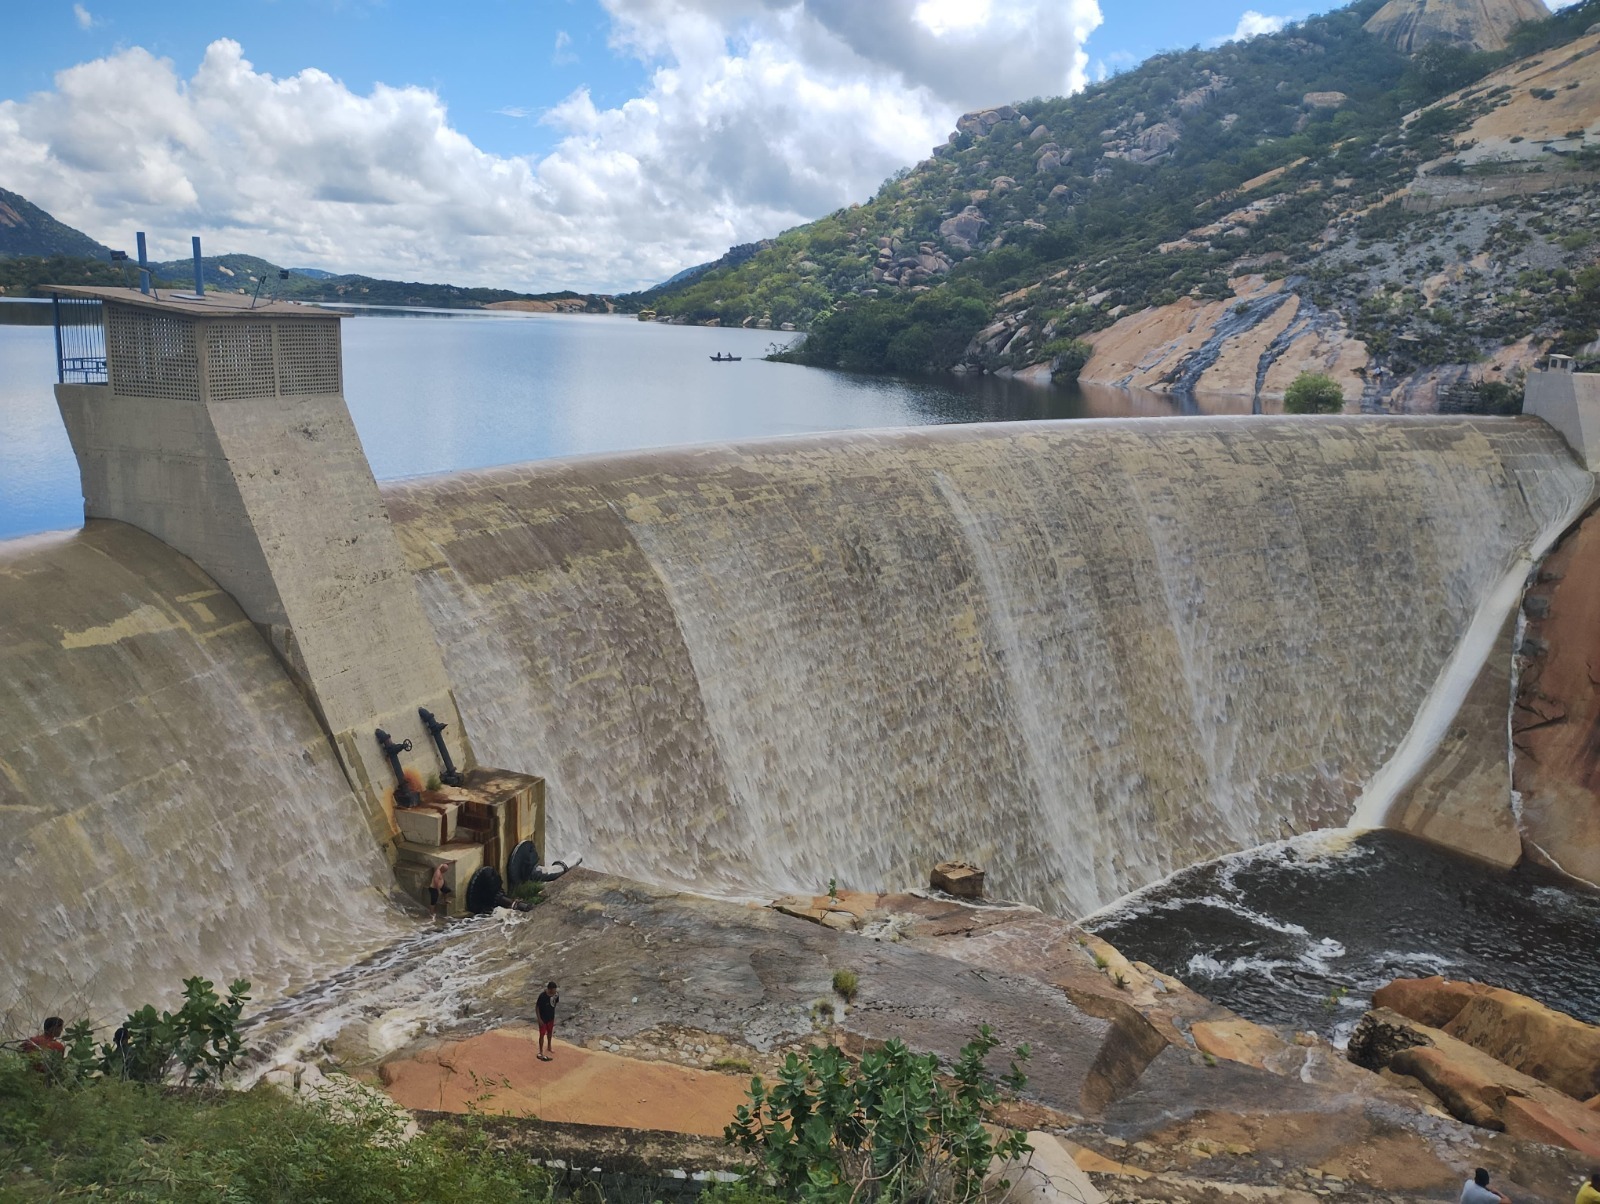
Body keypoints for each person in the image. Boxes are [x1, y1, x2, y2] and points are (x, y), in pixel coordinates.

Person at [536, 981, 559, 1061]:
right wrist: (539, 1019)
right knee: (542, 1035)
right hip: (543, 1019)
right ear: (549, 989)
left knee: (550, 1033)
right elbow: (537, 1007)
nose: (555, 991)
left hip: (551, 1018)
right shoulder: (542, 996)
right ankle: (541, 1051)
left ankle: (549, 1046)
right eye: (553, 990)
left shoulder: (556, 995)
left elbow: (555, 1004)